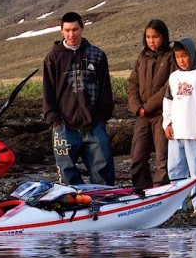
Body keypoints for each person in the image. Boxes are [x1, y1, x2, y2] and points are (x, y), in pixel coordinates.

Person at [42, 11, 115, 186]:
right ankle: (75, 207)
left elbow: (105, 88)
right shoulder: (53, 58)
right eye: (67, 30)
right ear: (61, 31)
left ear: (82, 28)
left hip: (94, 124)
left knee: (103, 170)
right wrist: (54, 119)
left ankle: (105, 205)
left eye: (75, 29)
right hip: (64, 126)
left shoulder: (97, 55)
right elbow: (48, 91)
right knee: (67, 173)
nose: (71, 34)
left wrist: (102, 116)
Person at [162, 37, 196, 216]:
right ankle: (177, 204)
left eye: (184, 56)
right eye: (177, 57)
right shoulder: (174, 77)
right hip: (176, 133)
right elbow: (168, 101)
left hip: (195, 133)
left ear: (192, 54)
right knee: (175, 169)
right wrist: (167, 123)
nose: (181, 60)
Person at [127, 19, 175, 189]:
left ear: (163, 36)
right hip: (142, 116)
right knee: (137, 157)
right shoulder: (142, 58)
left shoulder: (171, 57)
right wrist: (136, 107)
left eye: (155, 37)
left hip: (162, 115)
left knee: (162, 158)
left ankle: (161, 193)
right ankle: (142, 191)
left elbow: (169, 86)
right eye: (148, 37)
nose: (151, 41)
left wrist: (147, 107)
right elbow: (133, 84)